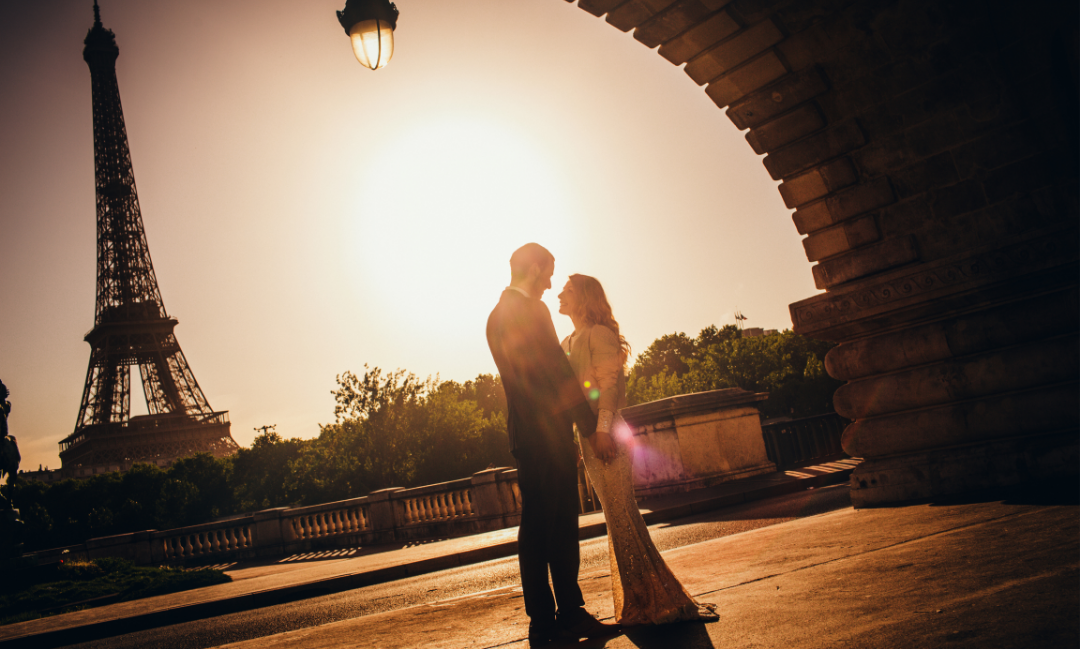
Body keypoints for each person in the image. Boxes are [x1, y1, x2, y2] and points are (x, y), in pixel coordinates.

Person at [557, 274, 718, 625]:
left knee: (622, 515)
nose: (559, 294)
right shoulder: (567, 340)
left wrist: (600, 432)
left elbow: (607, 388)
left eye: (566, 290)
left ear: (583, 297)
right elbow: (573, 398)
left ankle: (651, 601)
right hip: (589, 436)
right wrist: (578, 438)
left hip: (608, 432)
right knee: (617, 520)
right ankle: (642, 599)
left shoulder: (599, 333)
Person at [486, 244, 620, 647]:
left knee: (537, 526)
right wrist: (590, 426)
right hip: (545, 435)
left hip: (528, 437)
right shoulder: (530, 311)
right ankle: (569, 614)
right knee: (559, 525)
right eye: (548, 273)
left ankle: (544, 621)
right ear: (533, 268)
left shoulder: (497, 316)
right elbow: (556, 373)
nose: (549, 282)